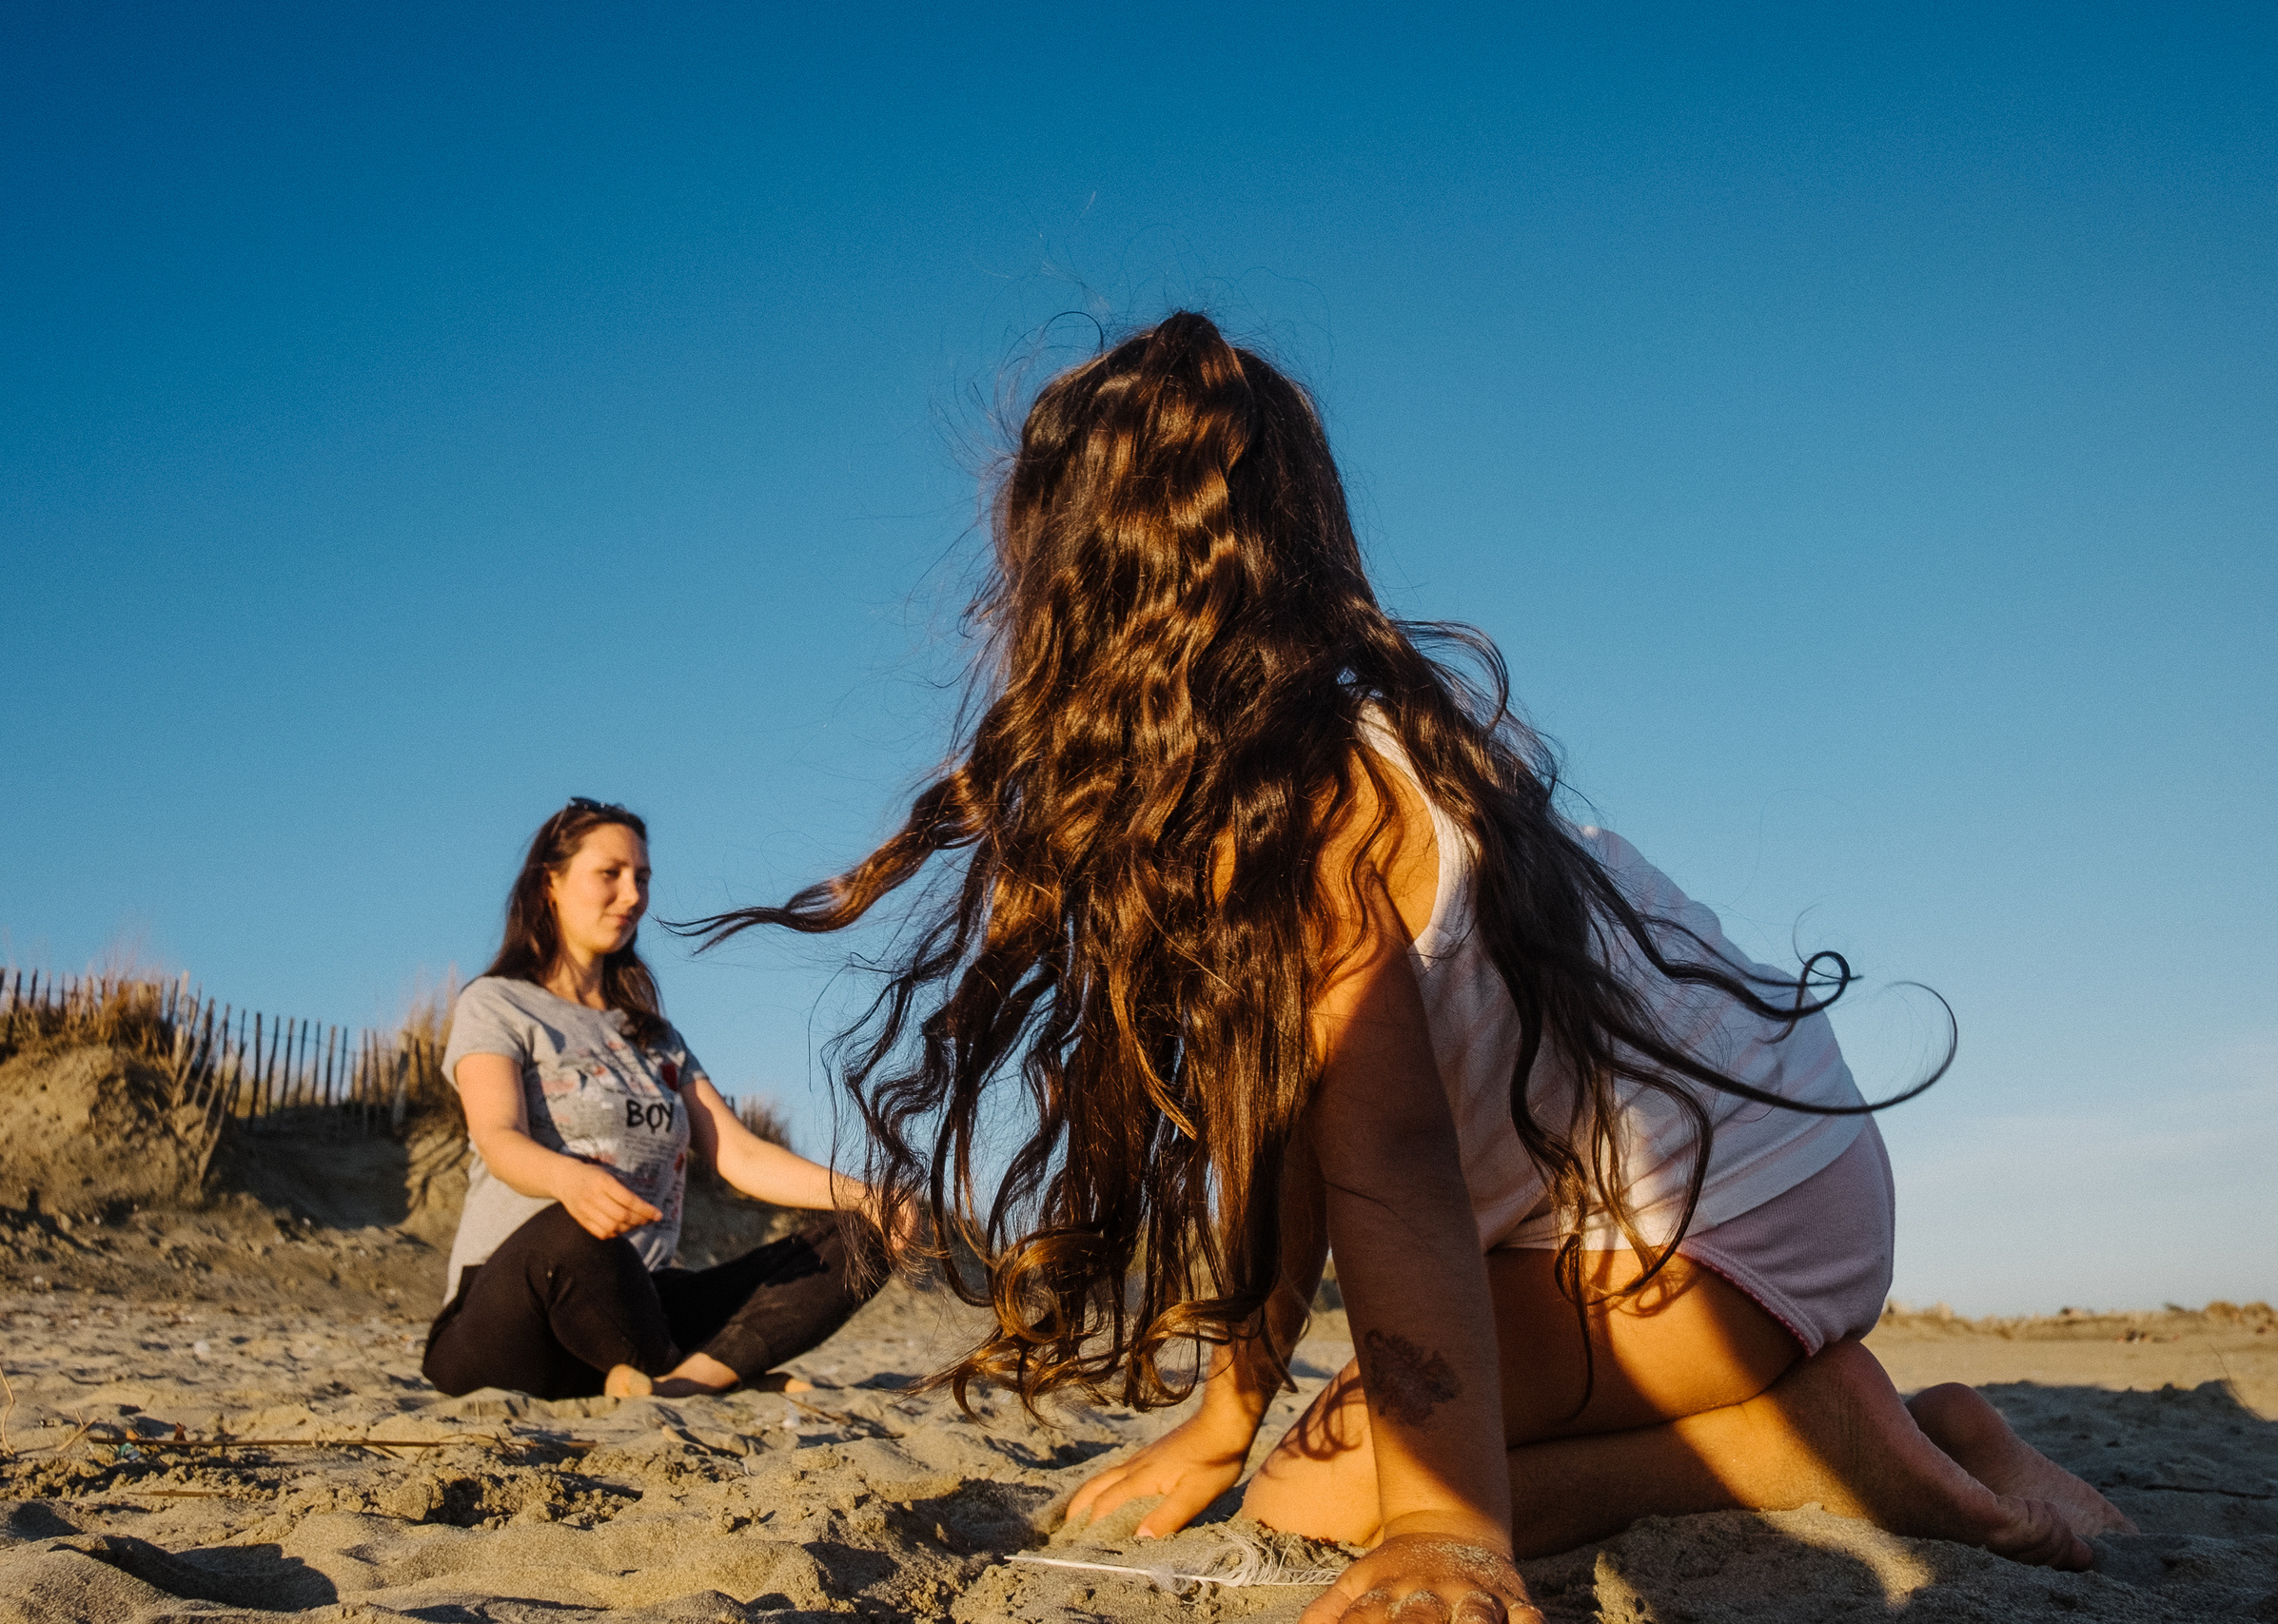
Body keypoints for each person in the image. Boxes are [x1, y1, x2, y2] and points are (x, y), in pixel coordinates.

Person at [697, 313, 2136, 1621]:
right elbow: (1290, 1142)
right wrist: (1222, 1406)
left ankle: (1803, 1435)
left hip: (1714, 1234)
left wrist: (1449, 1527)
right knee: (1330, 1444)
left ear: (1070, 571)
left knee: (1321, 1491)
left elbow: (1387, 1164)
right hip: (1785, 1177)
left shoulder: (1317, 813)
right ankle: (1882, 1414)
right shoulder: (1338, 759)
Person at [423, 797, 887, 1401]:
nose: (632, 894)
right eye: (610, 874)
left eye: (641, 878)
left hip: (643, 1303)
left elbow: (739, 1155)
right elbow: (499, 1136)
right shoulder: (497, 1004)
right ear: (551, 885)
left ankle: (685, 1379)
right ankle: (704, 1375)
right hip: (518, 1307)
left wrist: (871, 1196)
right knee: (575, 1233)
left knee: (863, 1235)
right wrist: (571, 1181)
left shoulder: (655, 1036)